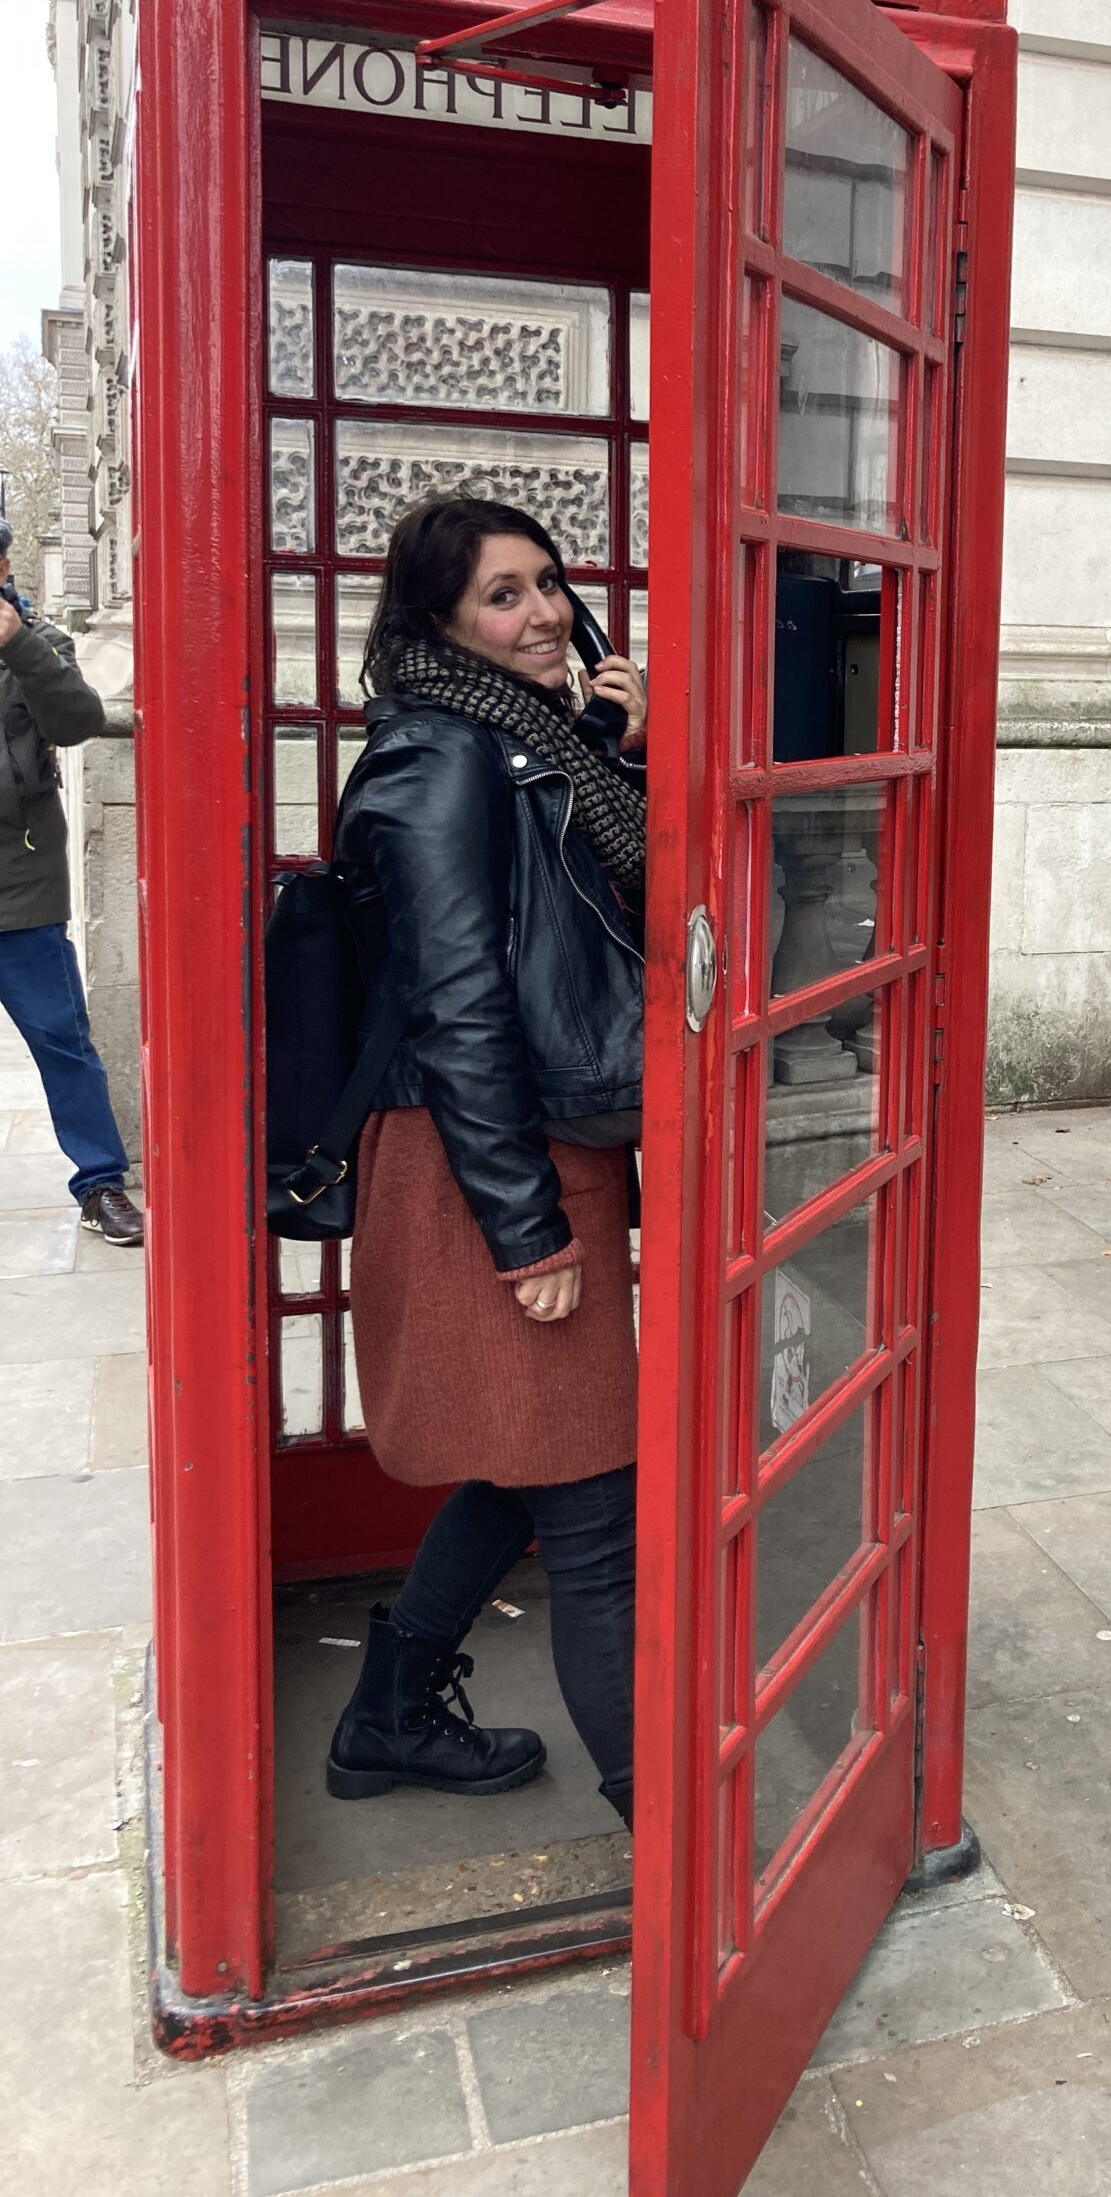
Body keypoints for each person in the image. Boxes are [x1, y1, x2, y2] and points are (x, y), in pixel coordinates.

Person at [323, 496, 647, 1831]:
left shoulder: (529, 740)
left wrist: (619, 741)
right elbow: (458, 1004)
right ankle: (679, 1848)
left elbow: (593, 907)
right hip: (484, 1165)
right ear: (440, 620)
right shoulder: (437, 755)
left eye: (549, 583)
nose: (545, 613)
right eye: (502, 596)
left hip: (529, 1144)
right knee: (598, 1513)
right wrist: (526, 1231)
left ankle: (386, 1716)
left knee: (527, 1466)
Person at [0, 528, 143, 1246]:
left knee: (62, 1041)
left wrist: (16, 644)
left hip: (19, 885)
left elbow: (79, 720)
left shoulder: (40, 643)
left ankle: (100, 1183)